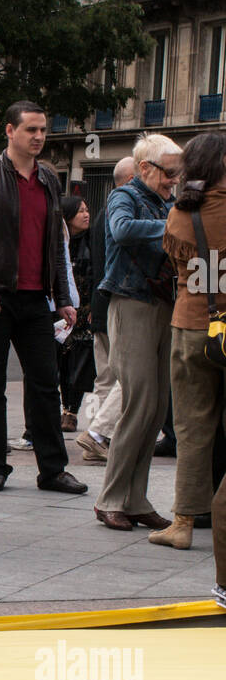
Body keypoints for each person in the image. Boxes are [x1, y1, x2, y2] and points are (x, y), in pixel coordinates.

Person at [0, 102, 86, 495]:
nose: (38, 137)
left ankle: (52, 469)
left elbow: (55, 244)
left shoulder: (49, 180)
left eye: (43, 130)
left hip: (38, 300)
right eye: (30, 129)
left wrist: (63, 295)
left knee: (46, 385)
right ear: (9, 131)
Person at [93, 134, 182, 530]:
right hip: (131, 304)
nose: (173, 181)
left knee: (156, 407)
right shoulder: (124, 197)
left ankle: (137, 498)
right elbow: (124, 230)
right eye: (169, 173)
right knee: (139, 403)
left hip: (163, 305)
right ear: (144, 168)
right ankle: (110, 498)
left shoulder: (169, 202)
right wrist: (173, 226)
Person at [149, 132, 226, 550]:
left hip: (191, 326)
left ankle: (182, 522)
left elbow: (174, 263)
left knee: (192, 428)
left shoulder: (180, 213)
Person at [76, 157, 135, 462]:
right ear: (130, 179)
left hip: (101, 305)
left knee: (107, 377)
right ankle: (98, 433)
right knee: (128, 375)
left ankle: (95, 442)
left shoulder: (102, 214)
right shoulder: (122, 212)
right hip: (116, 305)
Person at [55, 196, 94, 433]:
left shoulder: (92, 242)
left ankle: (71, 412)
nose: (86, 214)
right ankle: (60, 408)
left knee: (78, 363)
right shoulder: (60, 242)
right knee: (60, 362)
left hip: (84, 311)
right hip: (62, 310)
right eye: (80, 211)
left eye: (87, 209)